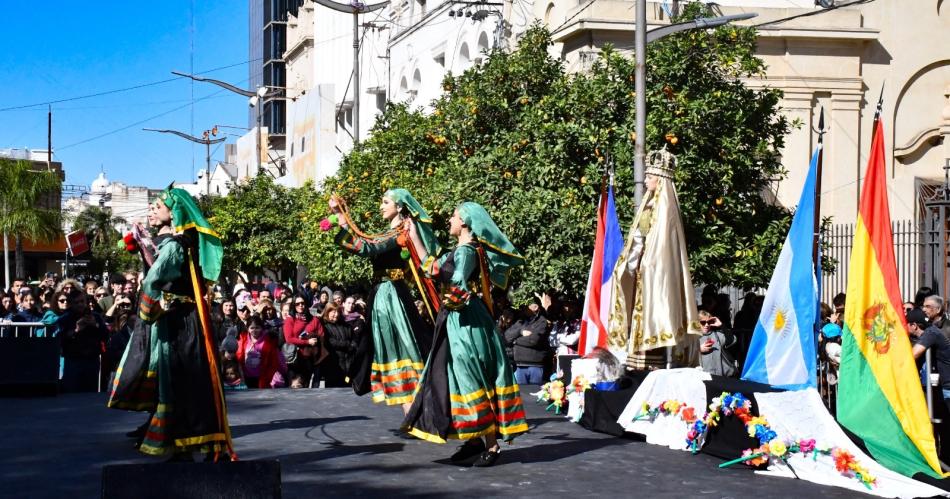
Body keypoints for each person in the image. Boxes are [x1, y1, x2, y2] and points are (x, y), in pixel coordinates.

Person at [107, 187, 233, 460]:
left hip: (180, 324)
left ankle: (184, 444)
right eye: (152, 206)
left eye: (157, 207)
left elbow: (154, 280)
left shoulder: (175, 245)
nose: (152, 210)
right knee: (183, 381)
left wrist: (145, 312)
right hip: (180, 320)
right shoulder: (179, 243)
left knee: (180, 381)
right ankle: (186, 444)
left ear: (173, 213)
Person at [402, 202, 529, 467]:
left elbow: (458, 282)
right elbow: (433, 269)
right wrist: (413, 235)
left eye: (454, 216)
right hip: (456, 318)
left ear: (465, 223)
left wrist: (452, 300)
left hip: (464, 321)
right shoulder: (459, 250)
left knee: (471, 375)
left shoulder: (466, 251)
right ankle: (473, 440)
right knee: (456, 376)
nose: (450, 220)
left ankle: (491, 445)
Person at [330, 188, 438, 413]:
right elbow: (366, 242)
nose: (381, 206)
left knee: (400, 348)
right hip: (386, 293)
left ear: (399, 207)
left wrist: (341, 217)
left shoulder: (399, 232)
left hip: (390, 295)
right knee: (396, 348)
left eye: (385, 202)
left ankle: (415, 412)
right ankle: (412, 412)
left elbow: (366, 247)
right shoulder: (390, 233)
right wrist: (341, 216)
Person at [607, 148, 701, 370]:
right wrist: (628, 265)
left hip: (657, 275)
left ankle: (663, 359)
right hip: (643, 272)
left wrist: (645, 265)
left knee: (658, 311)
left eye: (650, 177)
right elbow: (638, 241)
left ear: (659, 181)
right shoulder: (648, 207)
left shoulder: (666, 210)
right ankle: (640, 360)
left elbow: (663, 251)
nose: (646, 180)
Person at [59, 289, 109, 392]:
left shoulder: (96, 317)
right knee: (71, 392)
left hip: (92, 360)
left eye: (82, 301)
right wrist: (76, 330)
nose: (80, 305)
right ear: (71, 304)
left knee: (90, 393)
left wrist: (96, 325)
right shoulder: (65, 319)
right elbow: (60, 339)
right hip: (73, 360)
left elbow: (106, 336)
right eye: (76, 302)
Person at [503, 298, 550, 385]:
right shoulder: (520, 321)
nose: (524, 307)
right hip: (519, 365)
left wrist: (515, 341)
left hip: (535, 365)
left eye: (527, 304)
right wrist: (520, 332)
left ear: (535, 307)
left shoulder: (542, 322)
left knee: (535, 391)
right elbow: (506, 337)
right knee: (521, 392)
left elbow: (534, 340)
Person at [283, 296, 325, 388]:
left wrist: (314, 337)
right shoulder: (290, 320)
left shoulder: (314, 320)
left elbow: (321, 335)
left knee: (305, 389)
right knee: (294, 388)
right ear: (293, 305)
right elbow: (289, 339)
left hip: (309, 359)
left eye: (303, 303)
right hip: (294, 360)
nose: (300, 305)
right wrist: (307, 342)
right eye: (297, 304)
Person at [237, 316, 287, 389]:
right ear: (247, 328)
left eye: (257, 328)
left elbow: (273, 362)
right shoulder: (243, 340)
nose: (254, 330)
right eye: (252, 328)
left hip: (263, 378)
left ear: (261, 328)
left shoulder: (269, 341)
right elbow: (239, 357)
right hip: (246, 377)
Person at [321, 303, 356, 387]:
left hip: (348, 363)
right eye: (333, 312)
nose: (336, 314)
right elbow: (330, 342)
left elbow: (353, 338)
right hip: (333, 364)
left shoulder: (345, 325)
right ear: (327, 312)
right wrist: (347, 344)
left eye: (338, 312)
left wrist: (353, 345)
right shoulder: (324, 326)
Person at [697, 310, 737, 377]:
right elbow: (686, 354)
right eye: (703, 322)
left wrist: (721, 325)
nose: (706, 325)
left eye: (709, 322)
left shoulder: (717, 335)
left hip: (721, 376)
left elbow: (731, 340)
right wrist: (698, 349)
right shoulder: (693, 338)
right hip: (702, 377)